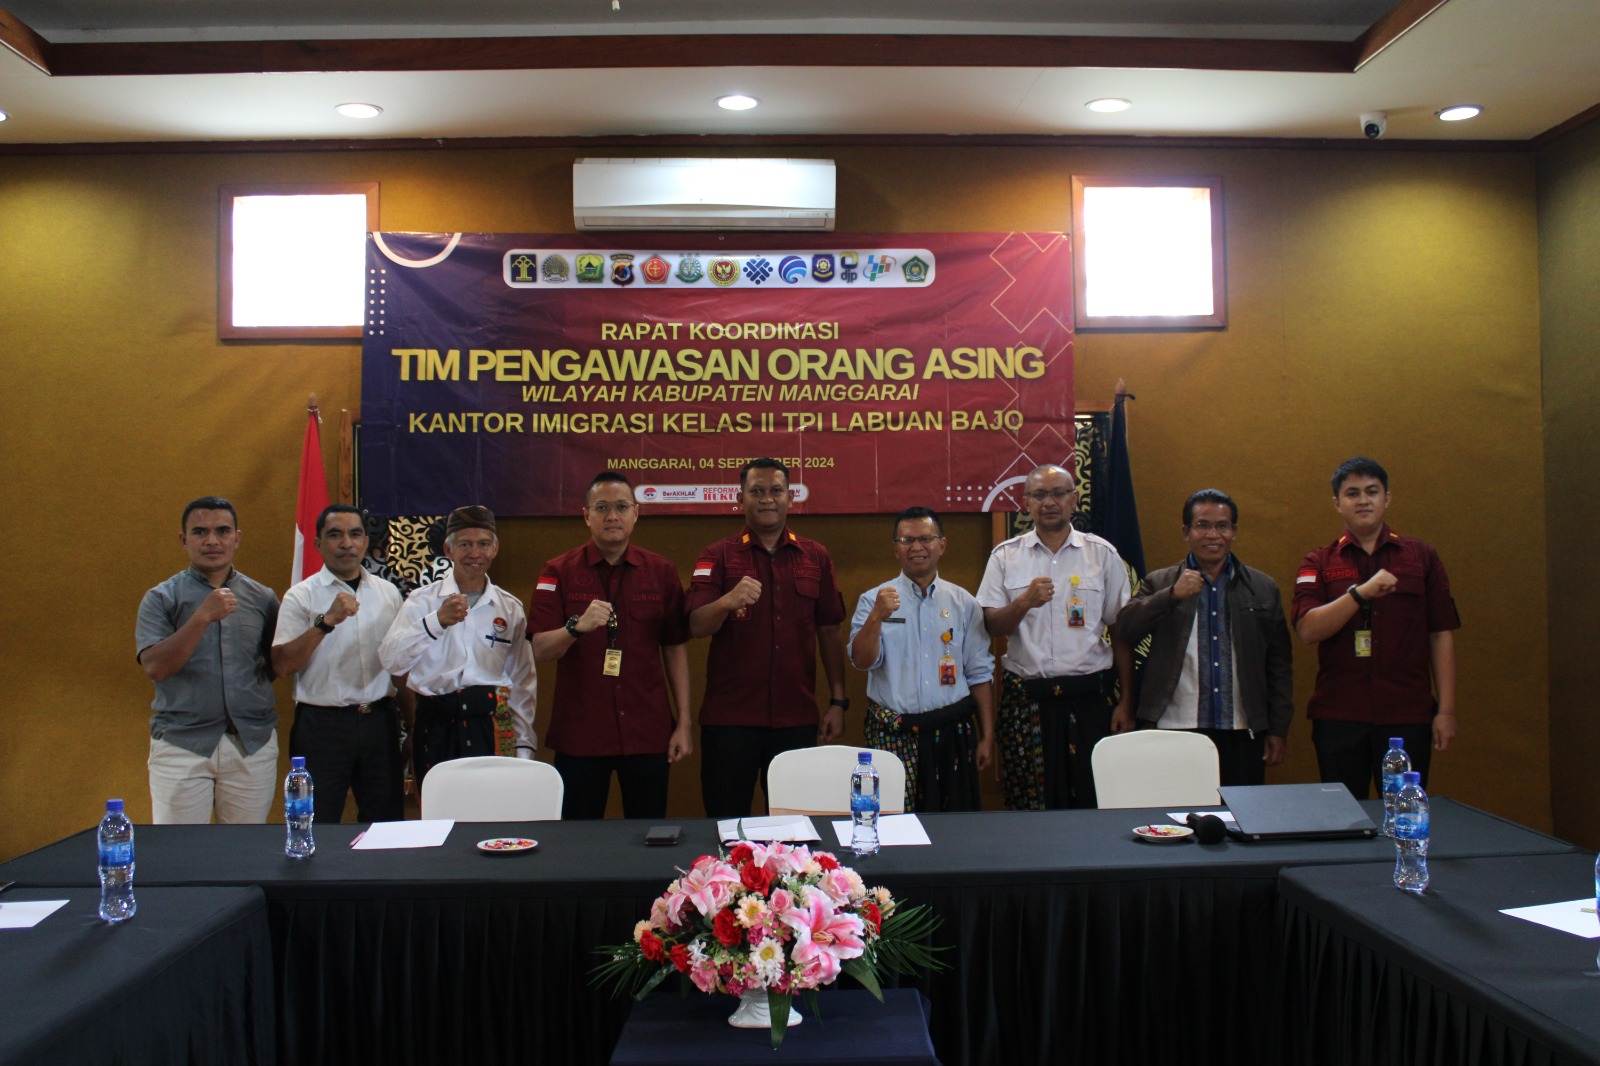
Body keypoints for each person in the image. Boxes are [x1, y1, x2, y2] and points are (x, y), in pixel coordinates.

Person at [687, 458, 848, 818]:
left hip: (795, 719)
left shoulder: (815, 556)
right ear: (740, 498)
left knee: (796, 830)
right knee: (727, 826)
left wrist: (838, 701)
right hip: (730, 721)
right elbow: (696, 625)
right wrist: (726, 601)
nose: (766, 499)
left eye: (775, 491)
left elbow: (829, 630)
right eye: (756, 492)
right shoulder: (717, 555)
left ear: (790, 498)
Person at [529, 472, 692, 820]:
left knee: (648, 835)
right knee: (577, 842)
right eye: (601, 508)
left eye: (621, 507)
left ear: (636, 513)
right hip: (581, 734)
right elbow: (541, 649)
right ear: (587, 515)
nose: (612, 516)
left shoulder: (661, 571)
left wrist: (684, 724)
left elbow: (675, 648)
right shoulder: (557, 571)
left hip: (647, 730)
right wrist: (576, 627)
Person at [1293, 457, 1459, 797]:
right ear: (1337, 504)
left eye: (1372, 491)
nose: (1363, 500)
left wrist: (1446, 710)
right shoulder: (1319, 561)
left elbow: (1440, 634)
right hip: (1340, 713)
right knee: (1345, 821)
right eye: (1352, 493)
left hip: (1407, 713)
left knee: (1404, 815)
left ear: (1387, 498)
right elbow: (1308, 630)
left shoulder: (1421, 557)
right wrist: (1361, 593)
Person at [978, 463, 1135, 809]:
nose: (1049, 502)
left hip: (1091, 697)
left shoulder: (1102, 555)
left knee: (1093, 799)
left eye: (1058, 493)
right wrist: (1024, 602)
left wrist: (1126, 701)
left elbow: (1121, 632)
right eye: (1039, 495)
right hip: (1027, 700)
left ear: (1074, 500)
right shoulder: (1006, 556)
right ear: (1026, 503)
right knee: (1030, 803)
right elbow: (991, 627)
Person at [1114, 489, 1293, 785]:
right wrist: (1170, 596)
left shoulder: (1262, 588)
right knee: (1177, 823)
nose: (1213, 534)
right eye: (1203, 525)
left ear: (1234, 531)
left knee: (1240, 823)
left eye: (1222, 526)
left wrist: (1277, 729)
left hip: (1242, 730)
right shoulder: (1160, 582)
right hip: (1175, 728)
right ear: (1186, 532)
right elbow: (1125, 629)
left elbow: (1279, 666)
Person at [136, 496, 279, 823]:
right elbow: (156, 668)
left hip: (250, 743)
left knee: (243, 856)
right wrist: (201, 617)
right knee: (180, 858)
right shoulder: (161, 598)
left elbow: (274, 666)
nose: (212, 540)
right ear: (184, 540)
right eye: (200, 532)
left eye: (222, 531)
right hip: (181, 743)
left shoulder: (262, 597)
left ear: (237, 538)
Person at [271, 504, 411, 824]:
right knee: (315, 822)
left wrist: (412, 725)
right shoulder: (300, 596)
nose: (346, 543)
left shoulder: (388, 593)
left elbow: (399, 665)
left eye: (355, 534)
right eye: (335, 535)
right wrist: (326, 621)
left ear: (365, 541)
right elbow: (281, 665)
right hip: (322, 727)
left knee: (385, 823)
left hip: (379, 722)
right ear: (318, 544)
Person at [848, 507, 994, 811]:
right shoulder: (872, 600)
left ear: (942, 545)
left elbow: (979, 673)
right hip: (893, 734)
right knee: (892, 825)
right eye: (906, 540)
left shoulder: (964, 602)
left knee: (954, 829)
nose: (916, 547)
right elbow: (861, 662)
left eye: (926, 538)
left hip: (952, 733)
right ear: (895, 549)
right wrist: (877, 617)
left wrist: (987, 736)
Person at [379, 505, 537, 784]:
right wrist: (436, 622)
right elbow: (392, 662)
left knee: (494, 814)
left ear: (495, 549)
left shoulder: (510, 608)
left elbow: (522, 680)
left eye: (483, 544)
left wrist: (524, 745)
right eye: (465, 545)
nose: (475, 554)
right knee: (440, 817)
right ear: (449, 551)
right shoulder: (422, 601)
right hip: (437, 723)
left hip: (490, 724)